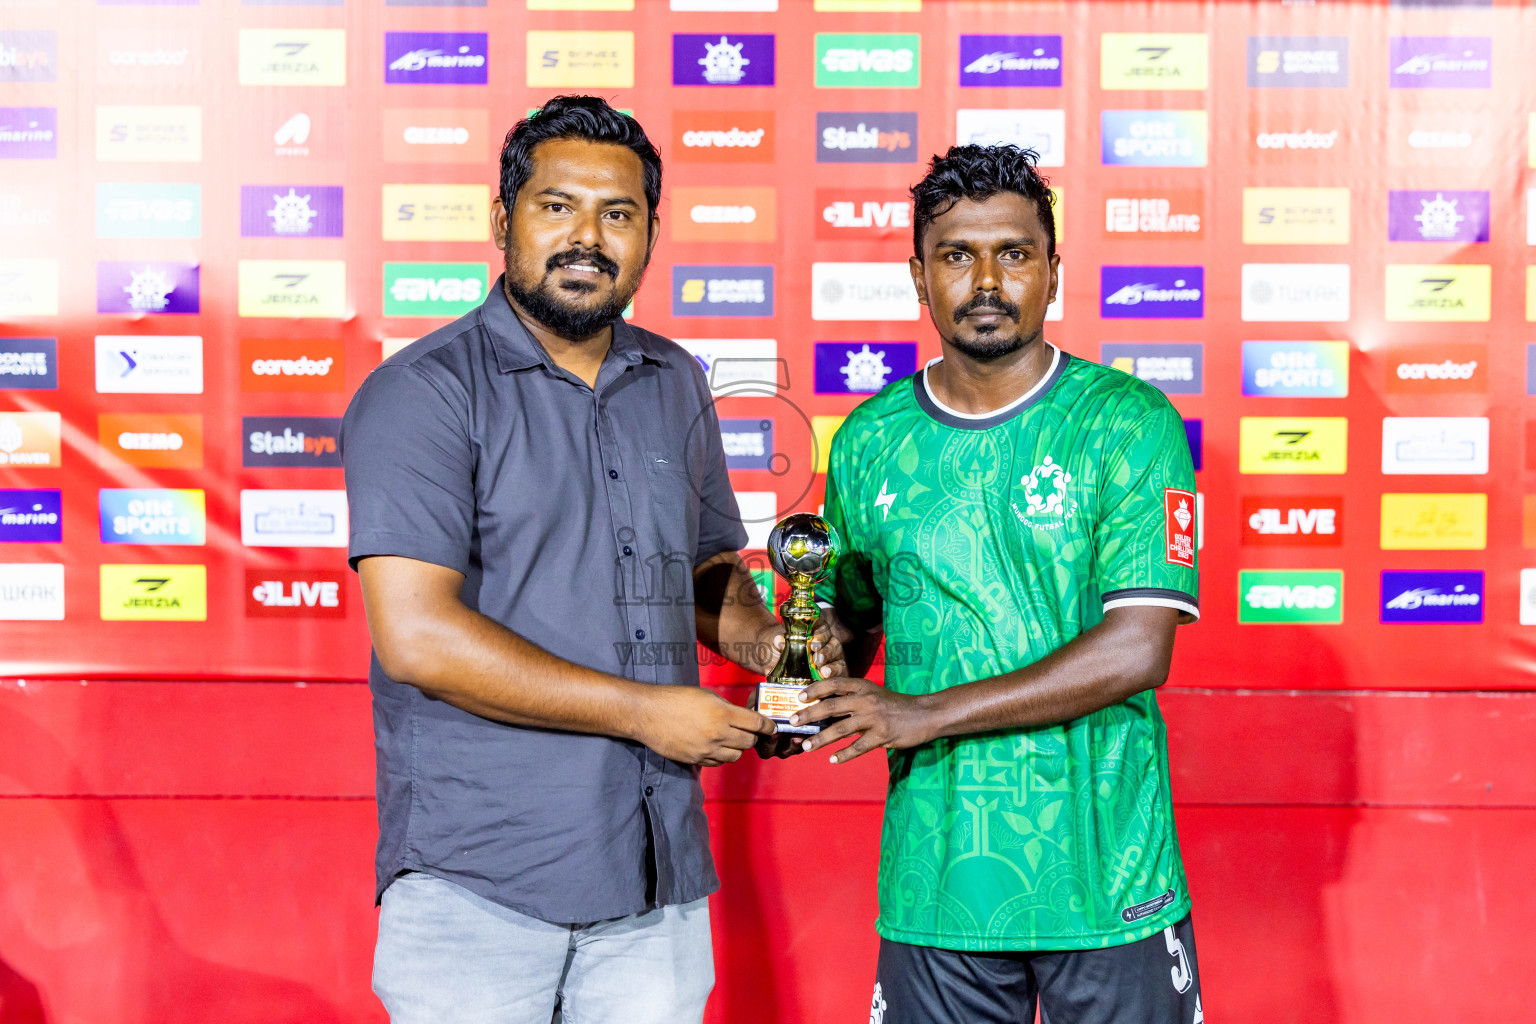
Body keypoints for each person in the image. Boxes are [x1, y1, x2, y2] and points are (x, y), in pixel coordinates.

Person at [341, 95, 842, 1024]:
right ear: (503, 220)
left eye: (618, 214)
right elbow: (417, 637)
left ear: (651, 232)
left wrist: (775, 644)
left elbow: (697, 575)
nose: (588, 237)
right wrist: (648, 714)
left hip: (655, 876)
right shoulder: (422, 393)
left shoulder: (675, 378)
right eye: (556, 206)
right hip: (480, 884)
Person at [791, 145, 1204, 1024]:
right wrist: (812, 652)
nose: (987, 279)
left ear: (1054, 272)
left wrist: (922, 713)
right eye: (956, 255)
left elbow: (1138, 650)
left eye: (1014, 253)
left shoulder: (1128, 423)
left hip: (1109, 880)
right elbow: (849, 621)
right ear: (917, 275)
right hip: (937, 882)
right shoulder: (869, 439)